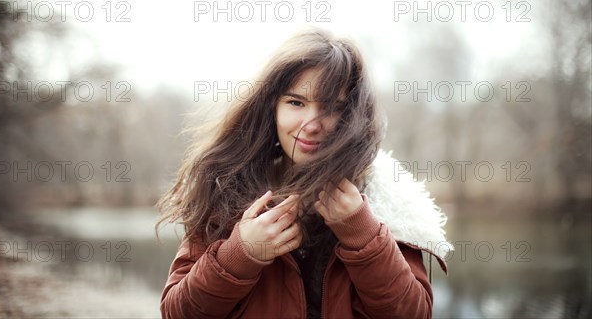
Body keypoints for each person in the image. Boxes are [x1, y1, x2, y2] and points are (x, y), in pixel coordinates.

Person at [156, 28, 452, 319]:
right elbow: (177, 313)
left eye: (332, 108)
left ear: (353, 118)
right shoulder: (227, 191)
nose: (311, 123)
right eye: (296, 102)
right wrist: (239, 255)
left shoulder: (389, 202)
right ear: (270, 109)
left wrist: (363, 235)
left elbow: (414, 314)